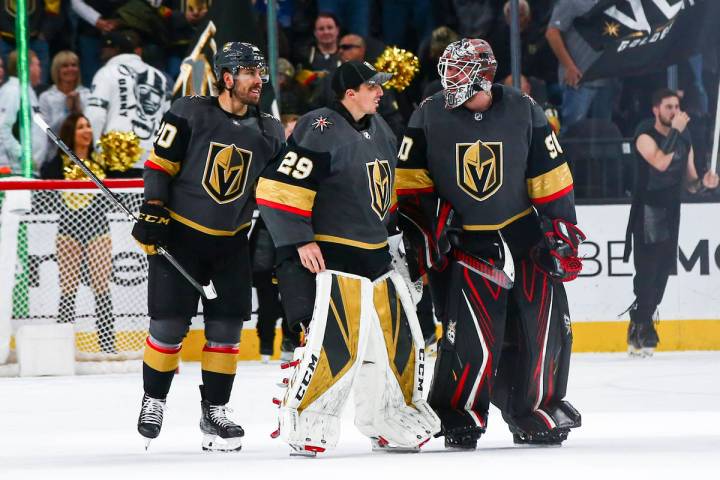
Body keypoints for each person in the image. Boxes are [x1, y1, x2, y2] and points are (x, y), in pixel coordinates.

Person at [396, 38, 584, 449]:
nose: (450, 79)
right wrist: (426, 227)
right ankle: (459, 413)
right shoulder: (427, 113)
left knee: (543, 325)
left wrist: (560, 228)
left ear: (482, 73)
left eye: (459, 71)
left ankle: (534, 407)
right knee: (467, 335)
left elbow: (550, 175)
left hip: (522, 233)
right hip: (464, 240)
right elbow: (410, 183)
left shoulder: (524, 108)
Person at [256, 60, 440, 455]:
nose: (380, 91)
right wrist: (299, 240)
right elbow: (278, 189)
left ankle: (387, 417)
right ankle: (308, 420)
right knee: (334, 346)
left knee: (400, 343)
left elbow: (387, 192)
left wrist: (396, 242)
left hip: (377, 257)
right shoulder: (319, 127)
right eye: (372, 85)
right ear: (349, 92)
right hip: (334, 257)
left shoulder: (381, 128)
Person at [130, 42, 285, 452]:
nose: (260, 80)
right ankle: (154, 400)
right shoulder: (188, 111)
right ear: (228, 76)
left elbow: (275, 191)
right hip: (181, 238)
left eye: (261, 72)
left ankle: (215, 411)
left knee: (227, 327)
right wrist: (153, 209)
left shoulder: (270, 130)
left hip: (232, 243)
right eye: (251, 72)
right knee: (168, 324)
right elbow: (160, 164)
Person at [623, 88, 719, 357]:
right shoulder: (644, 136)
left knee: (663, 272)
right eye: (668, 107)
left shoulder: (684, 138)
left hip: (671, 210)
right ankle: (643, 325)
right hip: (647, 211)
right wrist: (676, 131)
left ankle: (640, 321)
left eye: (676, 107)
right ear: (656, 110)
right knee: (647, 272)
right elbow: (660, 163)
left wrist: (705, 183)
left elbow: (690, 183)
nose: (674, 112)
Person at [39, 113, 116, 354]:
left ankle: (107, 345)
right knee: (68, 287)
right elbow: (44, 184)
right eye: (81, 127)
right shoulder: (57, 163)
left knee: (101, 285)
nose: (86, 131)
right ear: (71, 133)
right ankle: (63, 347)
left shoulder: (102, 161)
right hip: (68, 230)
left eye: (88, 126)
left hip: (98, 229)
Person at [86, 29, 169, 170]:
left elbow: (95, 115)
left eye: (105, 48)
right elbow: (168, 119)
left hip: (118, 157)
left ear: (116, 49)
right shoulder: (159, 76)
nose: (101, 53)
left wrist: (94, 152)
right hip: (154, 159)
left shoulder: (107, 72)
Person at [546, 0, 619, 134]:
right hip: (579, 79)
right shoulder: (570, 2)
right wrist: (569, 66)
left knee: (604, 133)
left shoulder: (610, 2)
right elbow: (552, 33)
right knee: (572, 131)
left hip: (605, 78)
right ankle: (565, 156)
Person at [0, 50, 47, 174]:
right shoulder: (12, 91)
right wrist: (22, 156)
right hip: (15, 172)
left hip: (28, 171)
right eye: (38, 65)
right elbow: (2, 128)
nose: (40, 70)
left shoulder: (27, 91)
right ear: (27, 67)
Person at [39, 51, 91, 161]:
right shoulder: (46, 97)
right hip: (55, 156)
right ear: (56, 70)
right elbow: (46, 133)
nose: (70, 69)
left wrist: (78, 110)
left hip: (84, 156)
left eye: (74, 65)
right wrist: (66, 111)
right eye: (65, 66)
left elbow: (91, 128)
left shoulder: (87, 95)